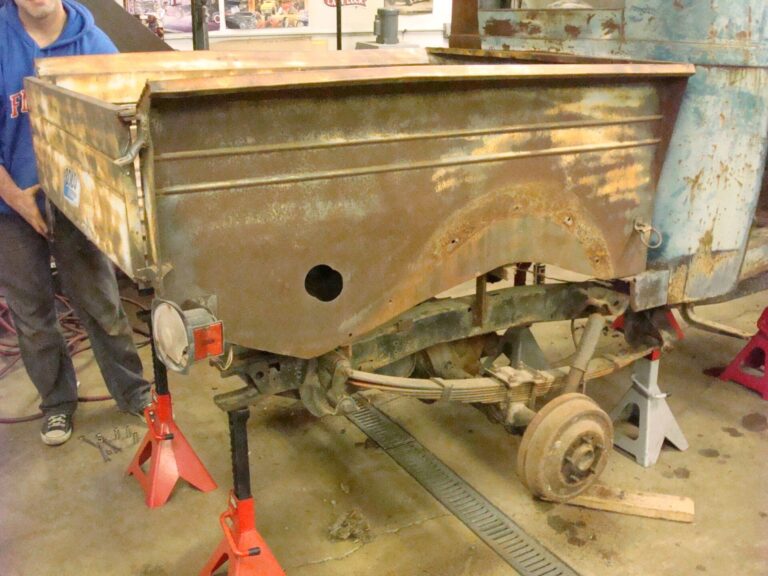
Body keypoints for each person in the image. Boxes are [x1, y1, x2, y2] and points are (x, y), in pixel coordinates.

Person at [0, 0, 151, 446]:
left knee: (102, 304)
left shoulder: (94, 46)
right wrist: (18, 200)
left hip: (77, 204)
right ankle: (57, 403)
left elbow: (120, 131)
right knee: (33, 316)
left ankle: (134, 392)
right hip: (10, 204)